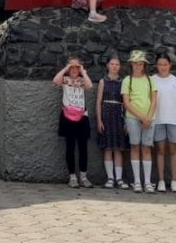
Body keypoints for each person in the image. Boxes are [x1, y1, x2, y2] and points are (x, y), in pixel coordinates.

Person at [52, 56, 94, 188]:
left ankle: (83, 176)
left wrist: (83, 72)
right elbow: (55, 80)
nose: (74, 69)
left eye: (77, 67)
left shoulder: (82, 80)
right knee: (70, 147)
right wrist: (66, 68)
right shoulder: (65, 80)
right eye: (72, 67)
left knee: (83, 148)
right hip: (67, 116)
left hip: (82, 117)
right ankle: (72, 177)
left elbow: (90, 86)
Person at [151, 54, 176, 193]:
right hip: (158, 120)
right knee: (160, 150)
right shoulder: (152, 80)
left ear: (170, 65)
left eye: (165, 64)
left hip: (173, 120)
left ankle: (174, 181)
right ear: (156, 65)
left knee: (173, 151)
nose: (163, 67)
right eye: (160, 64)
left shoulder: (175, 81)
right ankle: (161, 180)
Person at [121, 49, 157, 193]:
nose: (138, 66)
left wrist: (148, 117)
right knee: (135, 147)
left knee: (146, 148)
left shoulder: (150, 80)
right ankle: (137, 181)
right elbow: (126, 103)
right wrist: (141, 117)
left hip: (149, 119)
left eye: (140, 63)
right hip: (133, 118)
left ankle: (147, 182)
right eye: (135, 63)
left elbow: (154, 100)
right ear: (131, 64)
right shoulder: (127, 80)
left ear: (144, 65)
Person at [94, 54, 129, 188]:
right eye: (112, 64)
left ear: (120, 66)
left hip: (119, 117)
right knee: (108, 147)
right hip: (106, 116)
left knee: (118, 148)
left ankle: (119, 179)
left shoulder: (123, 82)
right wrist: (99, 120)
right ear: (107, 65)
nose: (114, 66)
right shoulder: (103, 81)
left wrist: (126, 121)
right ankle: (110, 178)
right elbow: (98, 102)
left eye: (117, 64)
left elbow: (126, 103)